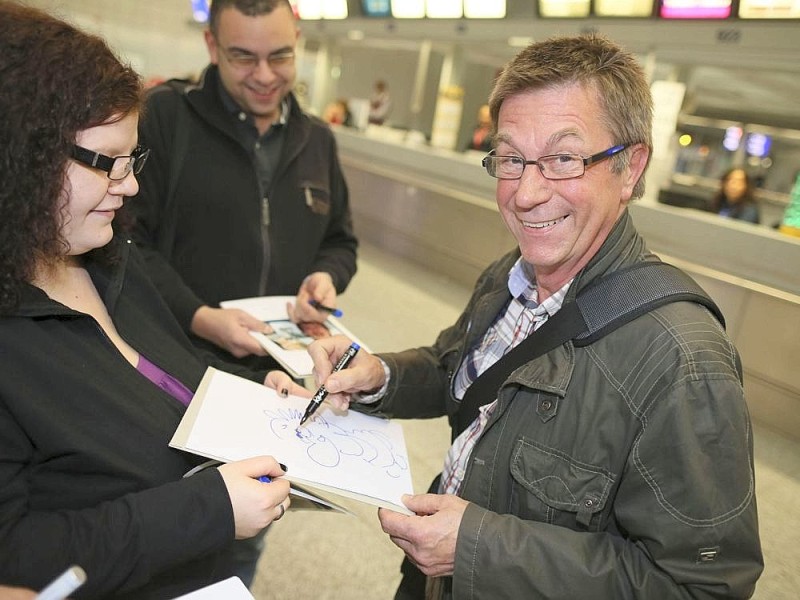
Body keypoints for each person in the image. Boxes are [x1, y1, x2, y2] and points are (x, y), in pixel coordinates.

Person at [276, 34, 764, 598]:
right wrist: (379, 376)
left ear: (630, 168)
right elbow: (457, 368)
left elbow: (701, 587)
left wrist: (478, 546)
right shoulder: (510, 275)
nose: (526, 193)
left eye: (563, 158)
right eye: (511, 158)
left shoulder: (683, 361)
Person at [0, 3, 306, 597]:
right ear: (21, 162)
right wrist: (205, 510)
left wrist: (257, 397)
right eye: (106, 163)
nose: (131, 184)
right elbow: (14, 554)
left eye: (131, 159)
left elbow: (162, 376)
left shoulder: (109, 260)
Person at [131, 0, 358, 368]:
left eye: (280, 57)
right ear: (211, 46)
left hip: (279, 371)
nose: (265, 76)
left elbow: (340, 242)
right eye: (244, 58)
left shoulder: (317, 140)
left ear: (297, 40)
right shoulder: (165, 118)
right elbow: (128, 242)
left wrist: (325, 275)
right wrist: (198, 317)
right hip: (176, 359)